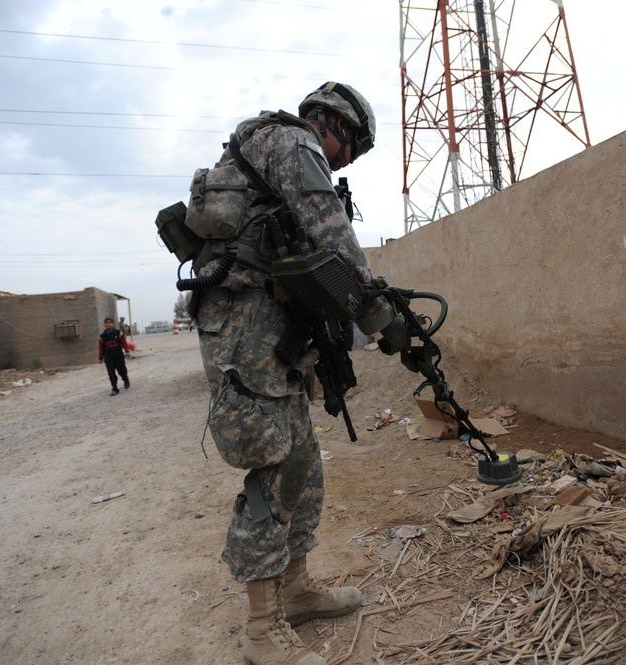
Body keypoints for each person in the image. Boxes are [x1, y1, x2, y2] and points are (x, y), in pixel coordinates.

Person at [192, 82, 408, 664]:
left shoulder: (268, 147)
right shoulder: (292, 142)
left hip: (266, 331)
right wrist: (377, 311)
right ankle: (261, 631)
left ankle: (297, 592)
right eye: (353, 148)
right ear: (333, 125)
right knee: (273, 469)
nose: (347, 160)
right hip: (247, 332)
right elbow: (329, 230)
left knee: (302, 461)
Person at [98, 317, 131, 396]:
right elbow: (101, 347)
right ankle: (114, 388)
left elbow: (124, 343)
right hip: (108, 357)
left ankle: (125, 380)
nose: (108, 324)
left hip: (118, 355)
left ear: (112, 324)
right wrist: (100, 358)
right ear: (104, 324)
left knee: (122, 371)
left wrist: (127, 351)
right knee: (111, 373)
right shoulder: (102, 336)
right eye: (106, 323)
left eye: (109, 322)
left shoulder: (118, 333)